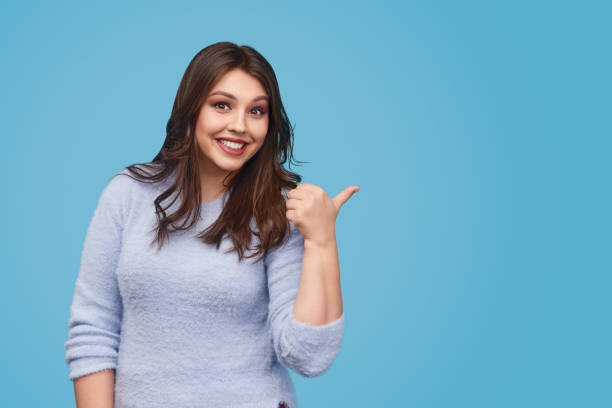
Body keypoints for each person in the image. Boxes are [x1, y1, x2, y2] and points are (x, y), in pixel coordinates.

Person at [64, 41, 360, 408]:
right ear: (192, 110)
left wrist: (322, 241)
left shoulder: (276, 212)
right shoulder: (128, 194)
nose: (239, 126)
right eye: (222, 105)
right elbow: (93, 332)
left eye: (257, 111)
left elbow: (308, 357)